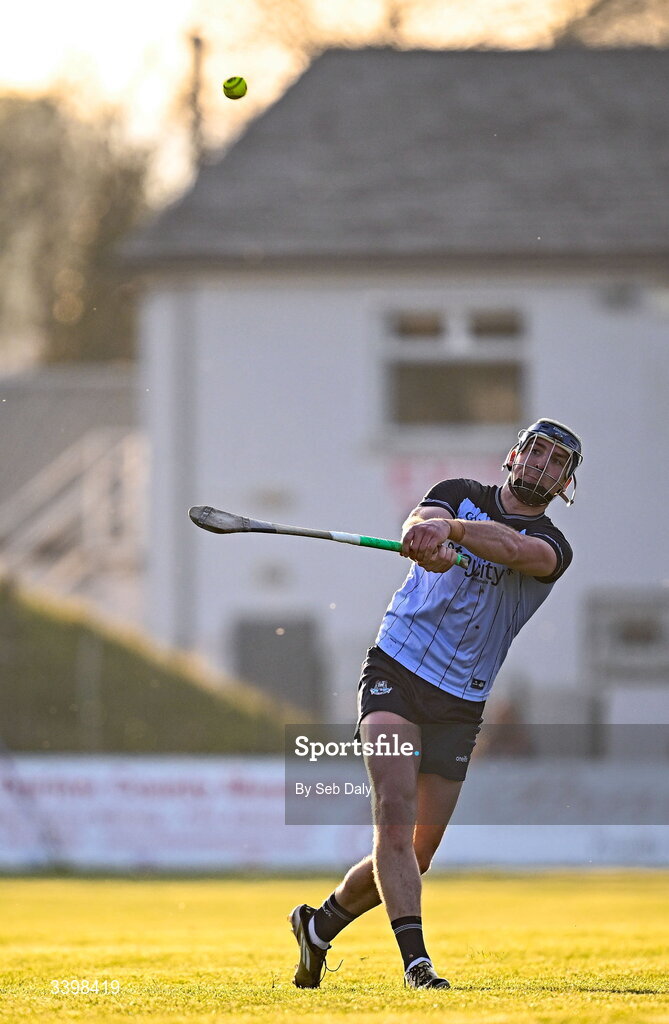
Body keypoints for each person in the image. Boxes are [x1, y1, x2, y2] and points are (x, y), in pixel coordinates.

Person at [289, 418, 583, 990]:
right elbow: (420, 519)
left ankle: (318, 925)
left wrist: (454, 534)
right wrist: (426, 535)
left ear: (564, 483)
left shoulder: (554, 547)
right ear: (515, 455)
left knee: (415, 857)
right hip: (396, 669)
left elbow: (513, 548)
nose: (542, 466)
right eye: (537, 453)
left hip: (462, 700)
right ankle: (417, 965)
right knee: (394, 825)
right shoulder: (458, 495)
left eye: (557, 463)